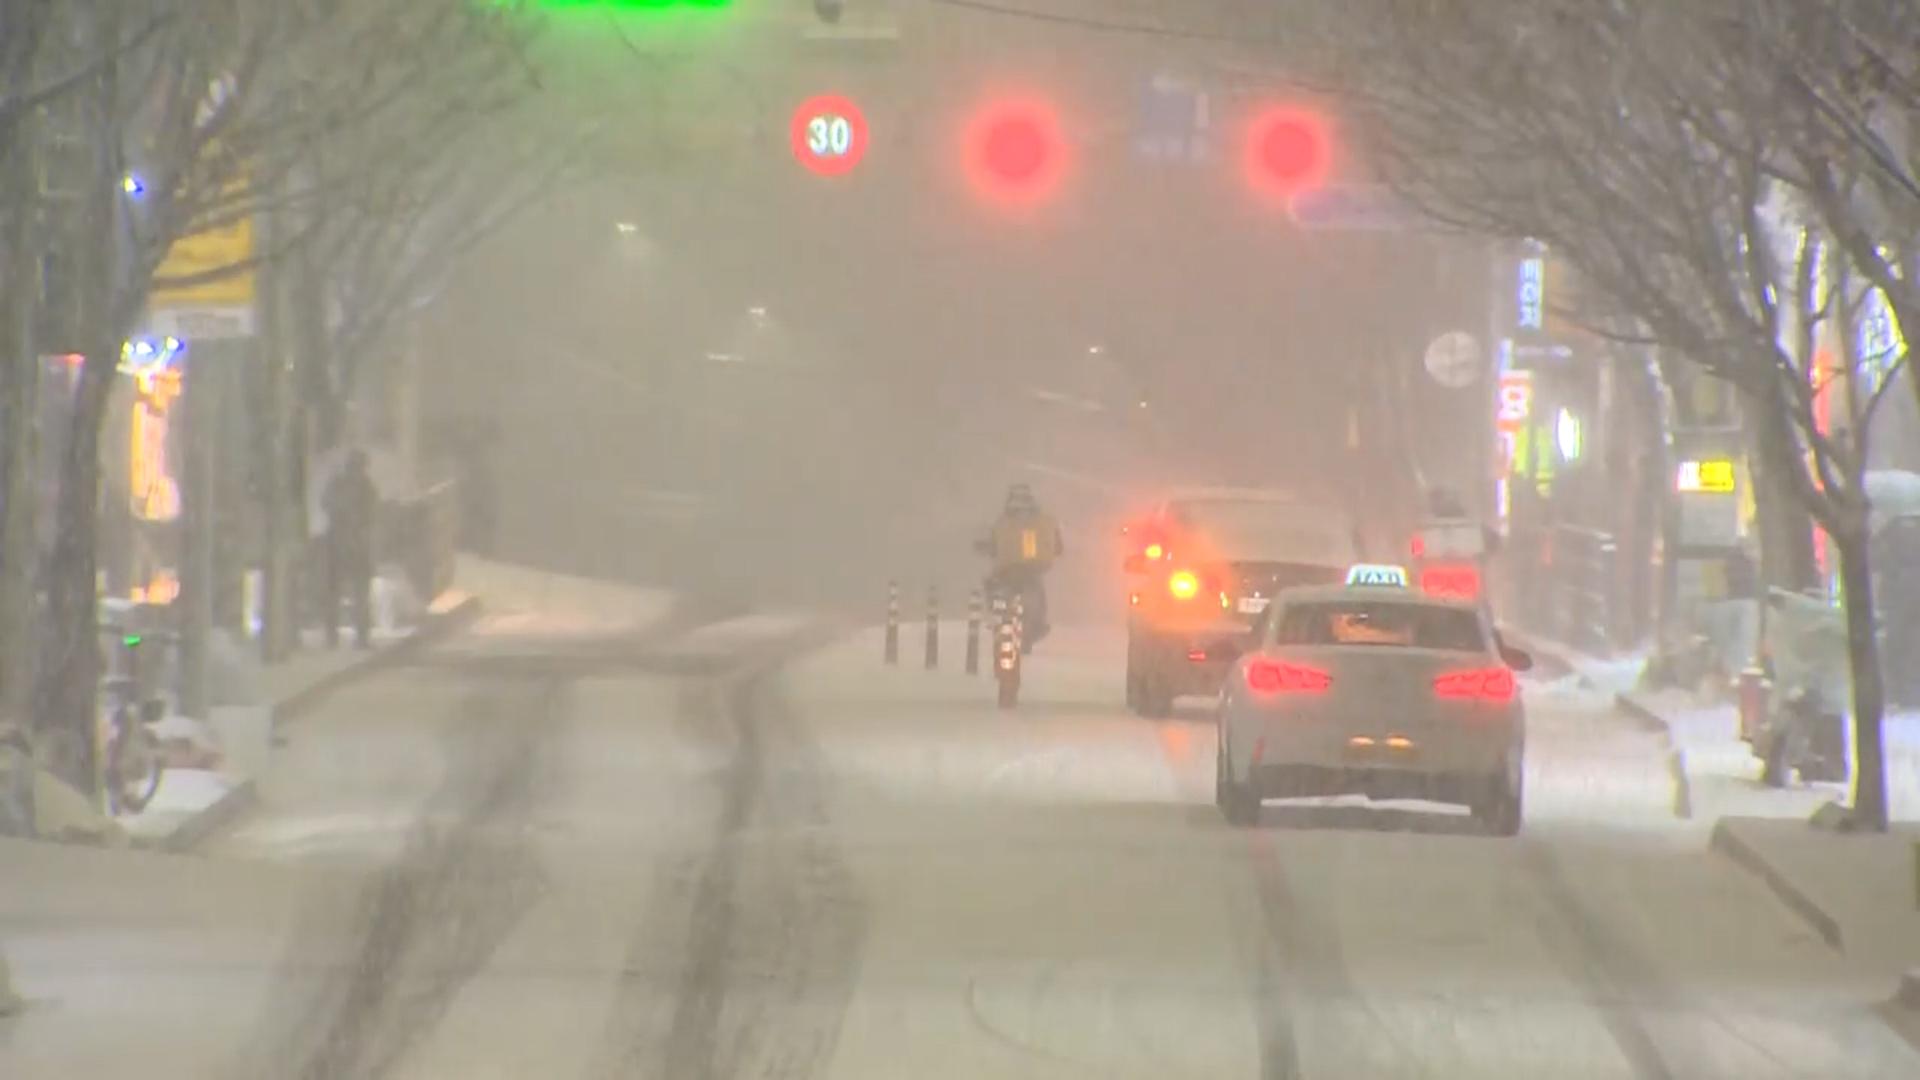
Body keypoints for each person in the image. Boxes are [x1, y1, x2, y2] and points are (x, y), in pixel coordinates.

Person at [979, 483, 1064, 649]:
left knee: (993, 588)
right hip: (1033, 569)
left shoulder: (1001, 522)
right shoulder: (1045, 521)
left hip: (1007, 571)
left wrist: (989, 548)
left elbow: (991, 545)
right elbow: (1058, 546)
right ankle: (1032, 624)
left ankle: (1000, 619)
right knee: (1034, 594)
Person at [323, 448, 379, 649]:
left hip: (339, 543)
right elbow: (372, 514)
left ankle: (334, 637)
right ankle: (357, 638)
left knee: (338, 592)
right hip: (353, 544)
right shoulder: (365, 487)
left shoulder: (341, 485)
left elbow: (326, 503)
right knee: (357, 593)